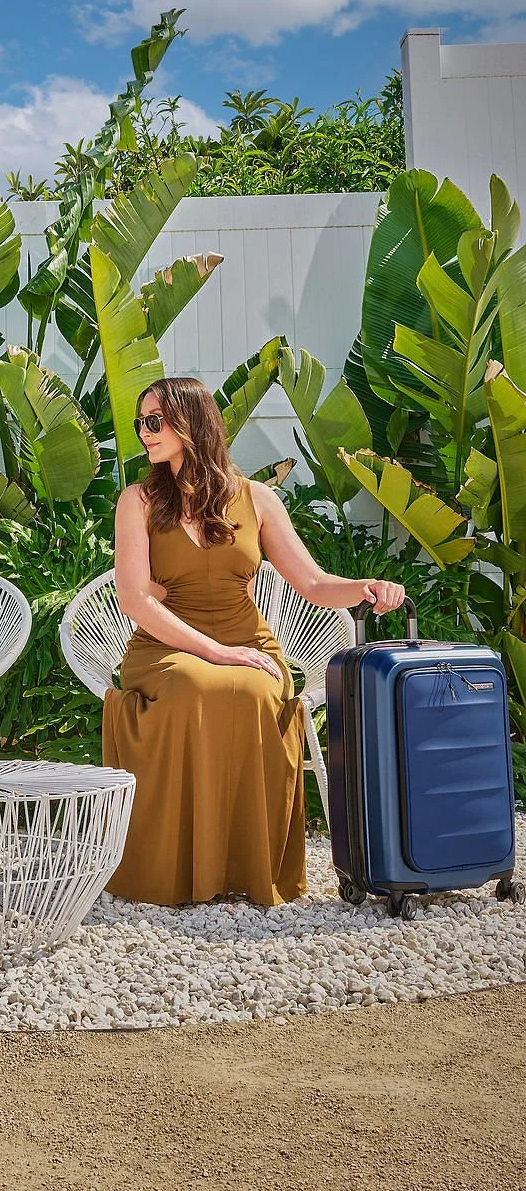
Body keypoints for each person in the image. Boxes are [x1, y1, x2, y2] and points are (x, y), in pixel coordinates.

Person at [103, 377, 406, 908]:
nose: (144, 432)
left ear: (191, 423)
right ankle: (181, 869)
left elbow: (312, 583)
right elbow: (134, 599)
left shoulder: (257, 499)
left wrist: (367, 587)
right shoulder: (139, 501)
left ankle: (244, 866)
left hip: (248, 639)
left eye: (154, 421)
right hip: (166, 646)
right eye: (140, 422)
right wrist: (216, 653)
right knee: (195, 686)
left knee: (257, 689)